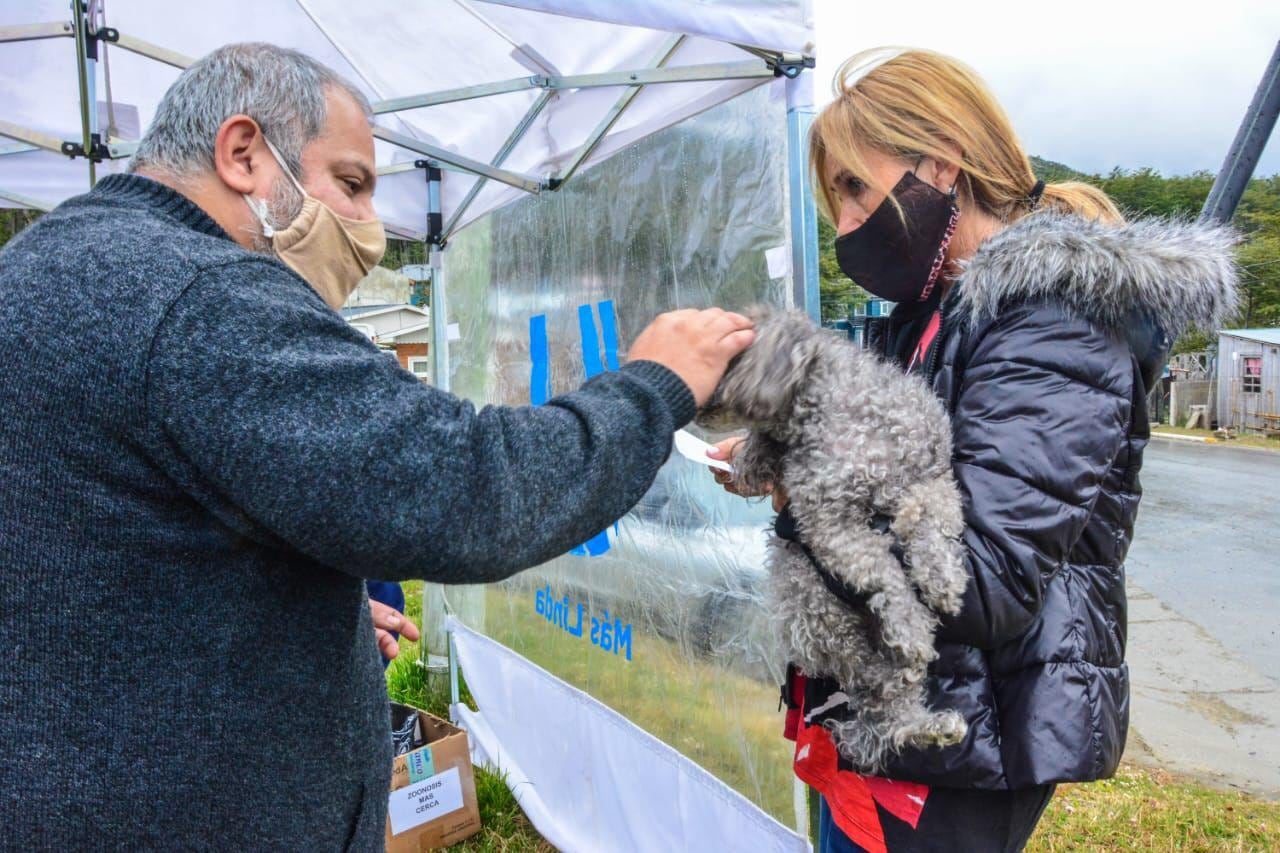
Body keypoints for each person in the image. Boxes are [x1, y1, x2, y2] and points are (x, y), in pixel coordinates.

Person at [0, 43, 755, 847]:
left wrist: (287, 612)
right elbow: (469, 491)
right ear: (243, 153)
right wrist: (654, 385)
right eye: (352, 184)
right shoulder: (200, 296)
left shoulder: (39, 267)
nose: (369, 224)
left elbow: (103, 555)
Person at [710, 47, 1237, 852]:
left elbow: (978, 577)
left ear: (941, 163)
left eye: (854, 186)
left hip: (964, 737)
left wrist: (808, 494)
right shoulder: (931, 315)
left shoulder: (1057, 321)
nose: (846, 223)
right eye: (834, 200)